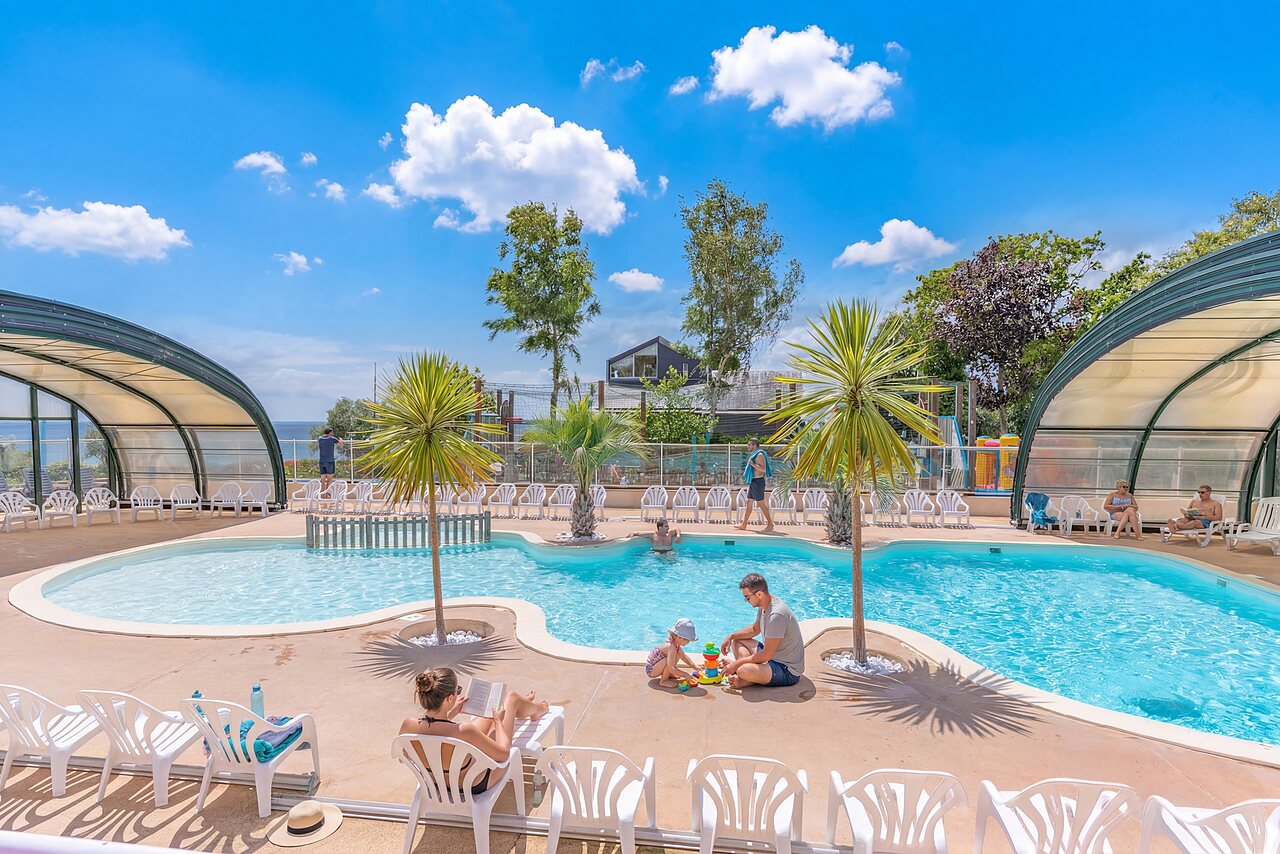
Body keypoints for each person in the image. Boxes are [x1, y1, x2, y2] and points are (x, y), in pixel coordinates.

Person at [398, 667, 549, 794]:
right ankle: (533, 708)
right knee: (511, 698)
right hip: (474, 784)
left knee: (490, 714)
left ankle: (521, 706)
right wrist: (498, 722)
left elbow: (411, 748)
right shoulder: (464, 731)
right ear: (449, 699)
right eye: (457, 691)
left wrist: (452, 713)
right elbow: (504, 754)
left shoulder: (408, 725)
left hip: (437, 783)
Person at [719, 573, 804, 689]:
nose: (746, 601)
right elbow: (754, 629)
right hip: (771, 658)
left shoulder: (776, 615)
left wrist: (736, 664)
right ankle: (749, 676)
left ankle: (746, 678)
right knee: (737, 641)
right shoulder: (764, 605)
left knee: (743, 670)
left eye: (747, 597)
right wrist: (731, 636)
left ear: (759, 594)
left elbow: (766, 655)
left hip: (786, 670)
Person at [644, 618, 702, 687]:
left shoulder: (675, 643)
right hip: (651, 670)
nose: (688, 642)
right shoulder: (671, 647)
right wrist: (685, 675)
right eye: (687, 640)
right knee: (669, 660)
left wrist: (694, 666)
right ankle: (663, 680)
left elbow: (683, 656)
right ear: (680, 637)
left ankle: (669, 674)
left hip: (656, 666)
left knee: (678, 654)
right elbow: (671, 668)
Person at [734, 438, 774, 533]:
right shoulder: (755, 455)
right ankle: (744, 524)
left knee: (760, 503)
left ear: (754, 445)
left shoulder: (759, 455)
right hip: (753, 481)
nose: (748, 446)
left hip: (758, 482)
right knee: (749, 502)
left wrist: (752, 464)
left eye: (749, 444)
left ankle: (770, 524)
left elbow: (763, 469)